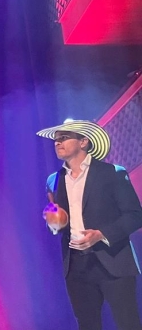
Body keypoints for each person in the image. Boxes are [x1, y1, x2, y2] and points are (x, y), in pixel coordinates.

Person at [39, 120, 142, 330]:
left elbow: (135, 215)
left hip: (113, 261)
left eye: (64, 137)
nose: (57, 143)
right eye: (56, 139)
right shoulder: (53, 180)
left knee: (128, 323)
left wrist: (102, 234)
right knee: (87, 325)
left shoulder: (112, 172)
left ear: (83, 141)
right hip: (76, 266)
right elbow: (55, 220)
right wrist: (52, 221)